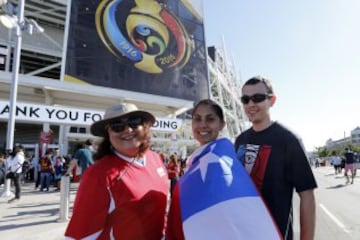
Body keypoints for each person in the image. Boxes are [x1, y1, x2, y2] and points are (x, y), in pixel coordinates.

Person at [166, 99, 281, 240]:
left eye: (210, 119)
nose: (203, 125)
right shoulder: (197, 160)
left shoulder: (223, 162)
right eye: (197, 119)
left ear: (221, 124)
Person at [65, 103, 169, 239]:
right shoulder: (98, 175)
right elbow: (80, 235)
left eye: (134, 122)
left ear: (144, 126)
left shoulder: (155, 158)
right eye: (117, 126)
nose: (127, 130)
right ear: (108, 134)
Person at [234, 76, 317, 240]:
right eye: (245, 99)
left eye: (257, 98)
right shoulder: (240, 140)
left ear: (272, 100)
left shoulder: (289, 140)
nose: (251, 104)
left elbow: (307, 196)